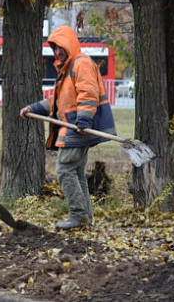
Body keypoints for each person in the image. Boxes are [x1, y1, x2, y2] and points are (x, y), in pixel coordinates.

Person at [19, 25, 115, 229]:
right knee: (76, 171)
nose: (57, 52)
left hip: (77, 127)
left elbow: (88, 93)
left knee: (64, 169)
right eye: (54, 48)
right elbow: (57, 101)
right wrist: (34, 108)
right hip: (75, 125)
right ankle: (84, 217)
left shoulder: (81, 64)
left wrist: (84, 120)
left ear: (69, 44)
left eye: (60, 47)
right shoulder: (68, 68)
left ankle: (78, 216)